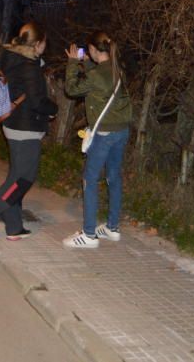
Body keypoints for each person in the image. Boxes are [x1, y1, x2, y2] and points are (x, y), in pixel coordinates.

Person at [0, 22, 58, 241]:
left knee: (15, 178)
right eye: (44, 42)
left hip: (16, 125)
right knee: (23, 180)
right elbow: (38, 101)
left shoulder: (17, 60)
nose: (46, 46)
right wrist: (53, 108)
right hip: (25, 128)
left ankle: (14, 226)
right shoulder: (28, 67)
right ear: (37, 43)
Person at [62, 31, 133, 249]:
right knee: (114, 177)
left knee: (90, 179)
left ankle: (89, 234)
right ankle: (112, 228)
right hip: (121, 131)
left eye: (88, 50)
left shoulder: (97, 75)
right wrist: (87, 64)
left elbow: (72, 89)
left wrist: (73, 63)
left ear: (93, 50)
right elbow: (102, 82)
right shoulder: (117, 69)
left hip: (103, 135)